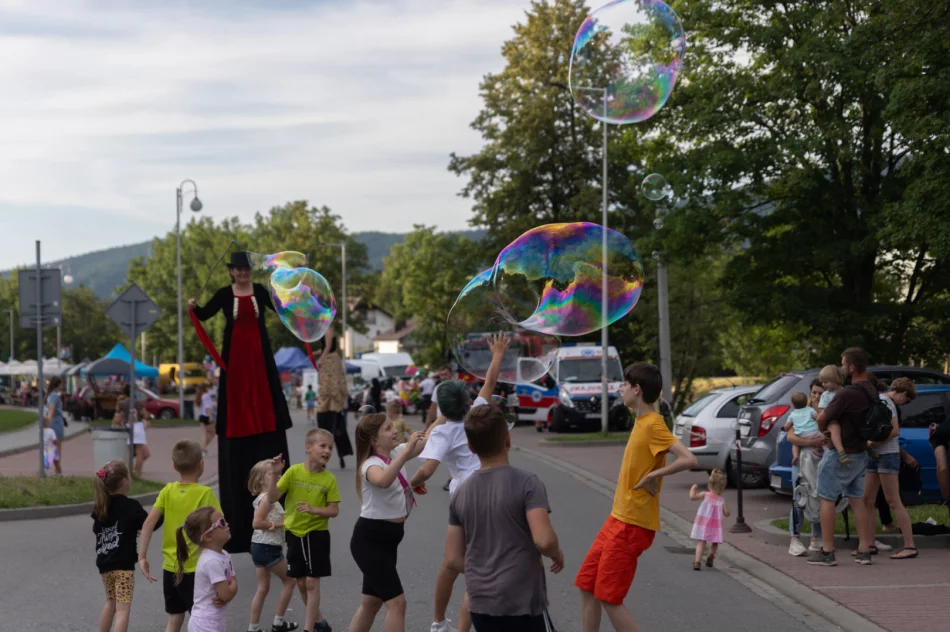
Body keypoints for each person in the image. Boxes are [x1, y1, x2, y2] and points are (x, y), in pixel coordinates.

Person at [575, 362, 698, 632]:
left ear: (637, 389)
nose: (621, 388)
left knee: (609, 597)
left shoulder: (654, 424)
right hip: (618, 517)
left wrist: (655, 475)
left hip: (633, 524)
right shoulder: (641, 420)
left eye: (625, 384)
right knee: (587, 585)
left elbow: (689, 458)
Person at [188, 250, 292, 553]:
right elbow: (205, 314)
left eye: (247, 269)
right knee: (236, 403)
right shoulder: (224, 294)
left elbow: (279, 309)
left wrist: (291, 301)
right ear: (232, 271)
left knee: (265, 398)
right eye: (239, 270)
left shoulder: (259, 291)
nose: (243, 274)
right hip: (236, 361)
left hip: (259, 359)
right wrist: (193, 308)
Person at [411, 335, 510, 632]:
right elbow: (489, 384)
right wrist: (497, 354)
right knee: (473, 565)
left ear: (441, 407)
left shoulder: (443, 432)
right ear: (467, 399)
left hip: (464, 497)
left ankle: (439, 622)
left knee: (453, 563)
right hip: (492, 490)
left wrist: (412, 483)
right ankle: (458, 628)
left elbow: (428, 469)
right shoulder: (477, 415)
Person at [443, 405, 563, 632]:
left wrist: (485, 572)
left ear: (470, 447)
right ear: (507, 439)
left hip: (481, 602)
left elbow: (452, 559)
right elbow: (544, 540)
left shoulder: (460, 493)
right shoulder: (528, 483)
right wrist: (557, 554)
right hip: (522, 600)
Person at [348, 414, 427, 632]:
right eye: (387, 429)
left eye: (392, 426)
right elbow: (382, 481)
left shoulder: (394, 453)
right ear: (374, 441)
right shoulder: (369, 465)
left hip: (387, 540)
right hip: (370, 540)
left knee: (371, 604)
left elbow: (425, 440)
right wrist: (404, 454)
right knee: (397, 603)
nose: (394, 430)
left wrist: (446, 415)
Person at [138, 439, 222, 632]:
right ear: (201, 463)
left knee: (174, 618)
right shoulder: (205, 493)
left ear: (174, 466)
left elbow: (148, 523)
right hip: (196, 569)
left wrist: (142, 556)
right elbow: (220, 528)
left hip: (171, 567)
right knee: (202, 619)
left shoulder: (167, 491)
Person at [264, 430, 340, 632]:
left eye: (330, 447)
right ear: (308, 448)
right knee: (300, 582)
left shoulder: (329, 479)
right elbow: (272, 497)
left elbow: (334, 510)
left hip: (316, 534)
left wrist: (315, 510)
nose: (327, 451)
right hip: (294, 533)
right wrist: (274, 473)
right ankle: (319, 622)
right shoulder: (293, 472)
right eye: (322, 446)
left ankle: (309, 628)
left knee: (312, 582)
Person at [809, 347, 876, 567]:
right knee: (857, 500)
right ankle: (864, 550)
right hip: (861, 454)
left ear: (852, 367)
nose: (842, 367)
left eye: (844, 364)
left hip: (839, 454)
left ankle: (827, 551)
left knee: (827, 498)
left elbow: (823, 417)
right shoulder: (871, 390)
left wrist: (826, 432)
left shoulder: (847, 393)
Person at [858, 378, 918, 560]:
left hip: (882, 454)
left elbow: (893, 431)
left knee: (883, 500)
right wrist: (873, 442)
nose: (904, 403)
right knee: (871, 499)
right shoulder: (887, 403)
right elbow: (894, 430)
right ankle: (870, 543)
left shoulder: (882, 401)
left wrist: (871, 442)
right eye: (906, 400)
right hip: (883, 454)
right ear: (903, 394)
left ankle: (908, 545)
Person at [92, 460, 148, 632]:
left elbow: (99, 530)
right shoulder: (131, 506)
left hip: (105, 564)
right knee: (123, 609)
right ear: (124, 480)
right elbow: (149, 523)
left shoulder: (101, 506)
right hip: (123, 566)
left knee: (111, 603)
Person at [247, 461, 299, 632]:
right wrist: (280, 524)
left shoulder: (267, 498)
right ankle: (278, 622)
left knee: (262, 588)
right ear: (261, 481)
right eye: (272, 475)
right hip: (268, 547)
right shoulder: (267, 500)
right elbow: (257, 522)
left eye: (279, 474)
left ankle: (253, 627)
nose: (278, 477)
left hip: (259, 546)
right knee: (290, 580)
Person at [175, 507, 237, 632]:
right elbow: (227, 594)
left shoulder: (224, 554)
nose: (227, 524)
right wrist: (232, 587)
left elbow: (230, 587)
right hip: (204, 624)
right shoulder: (211, 561)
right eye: (221, 523)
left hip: (215, 620)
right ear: (208, 536)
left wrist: (231, 587)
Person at [788, 380, 825, 556]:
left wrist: (820, 443)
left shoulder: (825, 412)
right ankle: (794, 538)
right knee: (799, 497)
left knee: (816, 496)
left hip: (820, 460)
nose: (817, 396)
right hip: (802, 459)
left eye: (821, 393)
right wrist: (812, 442)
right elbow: (791, 437)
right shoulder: (802, 411)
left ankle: (816, 537)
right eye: (815, 393)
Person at [316, 329, 353, 468]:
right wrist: (316, 354)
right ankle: (335, 455)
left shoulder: (328, 328)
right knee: (331, 426)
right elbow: (325, 348)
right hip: (329, 361)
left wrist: (321, 358)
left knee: (329, 425)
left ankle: (332, 456)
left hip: (330, 362)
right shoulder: (323, 328)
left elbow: (328, 346)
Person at [689, 469, 730, 570]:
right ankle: (711, 556)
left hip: (704, 523)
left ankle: (697, 562)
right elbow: (726, 513)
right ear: (723, 486)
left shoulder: (705, 494)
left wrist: (693, 488)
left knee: (701, 542)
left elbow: (692, 497)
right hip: (715, 525)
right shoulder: (721, 500)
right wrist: (727, 512)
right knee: (714, 541)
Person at [816, 365, 848, 463]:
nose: (824, 385)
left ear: (835, 379)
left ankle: (867, 448)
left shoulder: (844, 391)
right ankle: (841, 452)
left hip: (844, 419)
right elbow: (822, 411)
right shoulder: (826, 395)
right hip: (831, 420)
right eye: (822, 382)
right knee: (835, 428)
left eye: (826, 382)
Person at [784, 392, 823, 466]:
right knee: (823, 437)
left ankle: (795, 455)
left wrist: (786, 428)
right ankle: (817, 449)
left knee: (795, 444)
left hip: (801, 435)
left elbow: (786, 426)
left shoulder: (792, 414)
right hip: (814, 432)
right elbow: (818, 418)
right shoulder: (810, 410)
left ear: (793, 404)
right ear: (806, 402)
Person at [44, 376, 66, 476]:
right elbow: (51, 411)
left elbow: (47, 411)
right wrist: (48, 424)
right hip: (56, 423)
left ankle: (55, 469)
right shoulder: (54, 396)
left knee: (52, 447)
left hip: (53, 423)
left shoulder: (49, 395)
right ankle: (58, 471)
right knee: (56, 448)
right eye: (61, 384)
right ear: (58, 384)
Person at [196, 382, 216, 455]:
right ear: (205, 388)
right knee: (212, 433)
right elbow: (208, 408)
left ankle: (202, 448)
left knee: (204, 434)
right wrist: (211, 417)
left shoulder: (200, 396)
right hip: (207, 416)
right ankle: (203, 448)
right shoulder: (206, 396)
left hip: (201, 416)